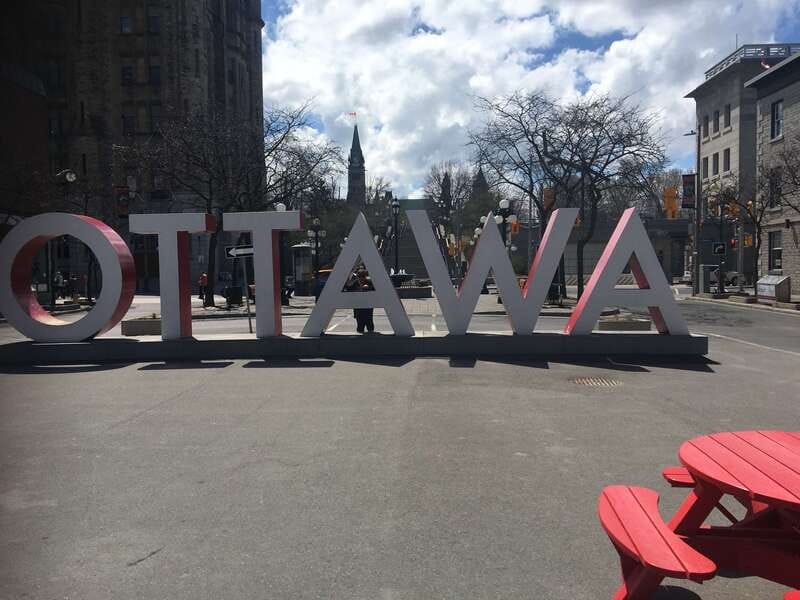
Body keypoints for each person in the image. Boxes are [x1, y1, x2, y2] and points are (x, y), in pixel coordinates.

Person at [346, 267, 375, 333]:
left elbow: (374, 289)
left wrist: (368, 288)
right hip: (358, 306)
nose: (361, 278)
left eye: (363, 276)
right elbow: (348, 288)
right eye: (359, 276)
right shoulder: (355, 283)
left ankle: (371, 335)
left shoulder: (369, 282)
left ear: (365, 276)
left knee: (369, 322)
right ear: (357, 277)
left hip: (368, 306)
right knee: (360, 324)